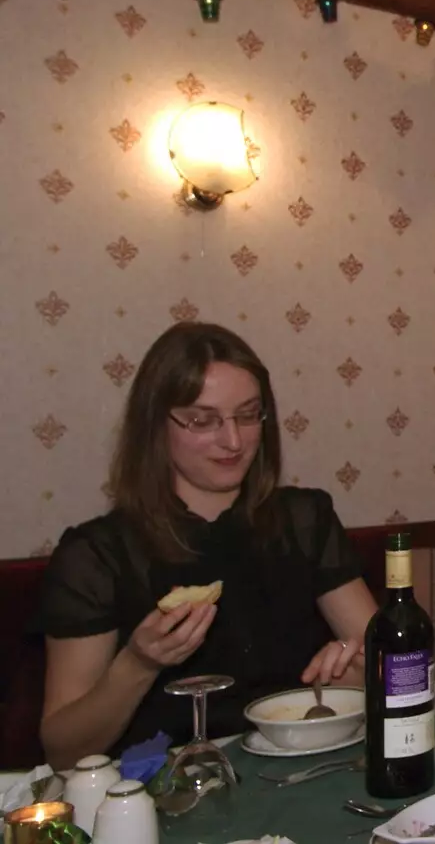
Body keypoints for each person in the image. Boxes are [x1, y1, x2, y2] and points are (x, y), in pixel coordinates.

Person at [35, 323, 378, 769]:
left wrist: (361, 677)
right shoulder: (97, 554)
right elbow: (62, 750)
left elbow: (393, 661)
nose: (233, 441)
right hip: (166, 792)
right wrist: (138, 663)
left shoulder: (304, 519)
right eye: (203, 420)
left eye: (248, 415)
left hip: (303, 771)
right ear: (155, 424)